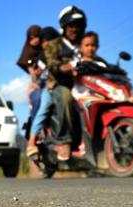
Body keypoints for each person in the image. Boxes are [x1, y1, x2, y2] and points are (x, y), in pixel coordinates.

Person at [44, 5, 87, 160]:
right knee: (65, 96)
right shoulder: (54, 44)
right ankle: (64, 142)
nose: (75, 29)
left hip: (82, 85)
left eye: (78, 26)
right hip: (59, 85)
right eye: (71, 26)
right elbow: (51, 64)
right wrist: (66, 67)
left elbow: (95, 61)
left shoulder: (85, 45)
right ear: (64, 26)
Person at [26, 26, 60, 157]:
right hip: (48, 88)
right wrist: (38, 77)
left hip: (66, 86)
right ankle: (32, 140)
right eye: (44, 41)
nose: (46, 44)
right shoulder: (41, 56)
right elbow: (39, 74)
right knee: (45, 105)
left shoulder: (63, 53)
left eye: (49, 40)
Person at [16, 25, 43, 121]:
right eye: (31, 39)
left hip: (51, 81)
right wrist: (35, 81)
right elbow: (32, 72)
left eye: (36, 37)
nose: (34, 40)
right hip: (37, 83)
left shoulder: (47, 49)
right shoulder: (28, 52)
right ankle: (35, 129)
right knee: (37, 99)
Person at [72, 31, 108, 99]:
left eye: (93, 45)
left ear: (97, 47)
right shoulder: (75, 63)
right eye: (87, 45)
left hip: (99, 97)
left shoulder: (101, 65)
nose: (90, 48)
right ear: (80, 47)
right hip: (80, 99)